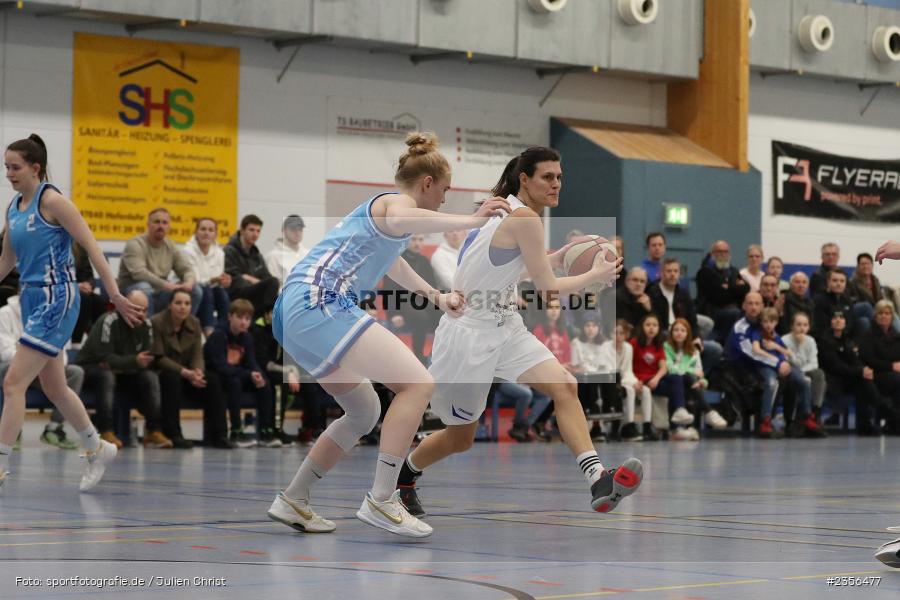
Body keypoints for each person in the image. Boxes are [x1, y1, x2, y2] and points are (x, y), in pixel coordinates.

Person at [267, 132, 507, 538]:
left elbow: (393, 265)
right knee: (418, 384)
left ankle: (295, 497)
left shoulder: (385, 222)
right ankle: (382, 498)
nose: (445, 200)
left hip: (293, 312)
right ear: (426, 183)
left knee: (363, 411)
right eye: (445, 190)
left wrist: (436, 295)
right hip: (318, 301)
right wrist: (473, 219)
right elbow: (402, 219)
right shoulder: (395, 204)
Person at [393, 145, 639, 521]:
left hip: (506, 326)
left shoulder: (503, 207)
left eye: (559, 177)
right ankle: (405, 476)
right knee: (460, 438)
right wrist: (596, 276)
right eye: (547, 177)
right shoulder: (523, 219)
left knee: (565, 386)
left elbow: (508, 268)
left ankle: (597, 479)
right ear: (524, 179)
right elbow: (549, 291)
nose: (556, 184)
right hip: (468, 335)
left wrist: (556, 258)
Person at [0, 134, 142, 492]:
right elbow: (6, 260)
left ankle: (0, 464)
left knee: (13, 383)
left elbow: (92, 247)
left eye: (15, 167)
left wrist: (115, 294)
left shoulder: (54, 201)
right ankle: (97, 447)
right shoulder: (14, 207)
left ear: (35, 168)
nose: (9, 174)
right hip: (30, 297)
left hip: (57, 298)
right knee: (54, 386)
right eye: (6, 167)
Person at [76, 290, 173, 450]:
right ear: (124, 307)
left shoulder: (147, 325)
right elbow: (104, 359)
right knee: (106, 376)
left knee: (150, 376)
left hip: (125, 371)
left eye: (144, 310)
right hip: (91, 368)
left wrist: (128, 363)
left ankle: (153, 430)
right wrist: (133, 361)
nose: (141, 314)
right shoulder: (108, 321)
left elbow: (146, 358)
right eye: (136, 309)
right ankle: (105, 430)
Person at [151, 289, 234, 449]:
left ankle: (220, 435)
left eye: (187, 303)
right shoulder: (157, 322)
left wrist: (198, 372)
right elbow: (158, 358)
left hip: (189, 374)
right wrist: (185, 372)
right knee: (171, 378)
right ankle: (173, 434)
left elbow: (197, 354)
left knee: (212, 380)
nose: (183, 307)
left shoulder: (194, 322)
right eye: (178, 303)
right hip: (165, 372)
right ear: (170, 305)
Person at [0, 292, 83, 449]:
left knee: (75, 372)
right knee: (6, 371)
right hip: (15, 368)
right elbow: (5, 352)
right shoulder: (5, 313)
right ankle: (12, 432)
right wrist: (35, 357)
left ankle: (54, 429)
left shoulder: (56, 314)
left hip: (44, 369)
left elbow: (62, 355)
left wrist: (32, 356)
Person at [204, 298, 279, 448]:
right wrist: (248, 374)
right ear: (230, 317)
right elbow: (220, 366)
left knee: (265, 383)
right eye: (239, 317)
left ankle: (266, 430)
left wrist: (257, 374)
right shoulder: (219, 335)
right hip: (219, 377)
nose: (243, 322)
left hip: (238, 374)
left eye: (247, 318)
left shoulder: (247, 337)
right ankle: (236, 430)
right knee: (234, 382)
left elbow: (252, 363)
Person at [749, 307, 822, 438]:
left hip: (782, 364)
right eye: (765, 322)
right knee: (771, 384)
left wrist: (780, 354)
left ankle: (807, 415)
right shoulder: (757, 333)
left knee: (804, 381)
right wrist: (774, 358)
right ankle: (766, 419)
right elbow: (756, 350)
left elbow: (786, 352)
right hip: (767, 365)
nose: (768, 325)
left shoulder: (776, 337)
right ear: (761, 322)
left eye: (771, 322)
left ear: (776, 322)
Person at [117, 208, 202, 315]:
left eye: (164, 222)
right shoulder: (135, 244)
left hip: (159, 292)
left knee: (195, 290)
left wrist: (189, 282)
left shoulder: (171, 246)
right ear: (148, 225)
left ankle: (183, 327)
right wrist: (166, 285)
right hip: (131, 291)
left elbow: (186, 269)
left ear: (169, 226)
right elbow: (139, 273)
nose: (161, 226)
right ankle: (148, 328)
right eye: (156, 222)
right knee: (144, 287)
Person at [648, 257, 723, 370]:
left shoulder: (683, 293)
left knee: (716, 349)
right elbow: (653, 323)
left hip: (683, 334)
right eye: (669, 271)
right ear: (661, 273)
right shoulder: (653, 293)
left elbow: (692, 320)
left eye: (676, 271)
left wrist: (697, 337)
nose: (673, 274)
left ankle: (694, 375)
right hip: (664, 336)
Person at [631, 313, 693, 441]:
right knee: (677, 389)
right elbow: (628, 366)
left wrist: (656, 378)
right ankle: (675, 425)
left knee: (677, 380)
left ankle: (679, 413)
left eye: (655, 325)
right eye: (648, 325)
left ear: (659, 328)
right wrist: (638, 381)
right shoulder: (634, 343)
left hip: (654, 380)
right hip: (639, 380)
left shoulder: (658, 345)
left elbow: (664, 367)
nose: (651, 328)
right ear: (642, 327)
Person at [380, 232, 440, 363]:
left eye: (420, 239)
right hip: (402, 303)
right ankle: (418, 356)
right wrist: (394, 314)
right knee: (421, 317)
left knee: (442, 315)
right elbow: (390, 290)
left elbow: (432, 287)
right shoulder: (396, 260)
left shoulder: (424, 262)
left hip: (422, 302)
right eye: (413, 239)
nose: (417, 243)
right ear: (406, 241)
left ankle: (436, 355)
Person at [664, 319, 728, 435]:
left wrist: (702, 382)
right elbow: (670, 368)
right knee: (687, 379)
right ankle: (708, 412)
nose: (679, 333)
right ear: (671, 332)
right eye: (676, 330)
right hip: (670, 380)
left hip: (687, 382)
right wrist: (691, 371)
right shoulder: (666, 347)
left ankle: (681, 427)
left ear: (688, 334)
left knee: (691, 383)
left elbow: (700, 372)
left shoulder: (694, 350)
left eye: (683, 330)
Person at [181, 217, 232, 337]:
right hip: (191, 289)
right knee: (207, 292)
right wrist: (212, 280)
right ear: (196, 232)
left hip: (211, 288)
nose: (206, 233)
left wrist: (225, 280)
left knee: (223, 294)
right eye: (203, 229)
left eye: (210, 230)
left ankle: (224, 331)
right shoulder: (187, 251)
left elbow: (218, 277)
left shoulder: (220, 253)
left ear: (215, 234)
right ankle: (209, 331)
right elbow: (193, 279)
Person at [224, 215, 279, 318]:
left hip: (254, 292)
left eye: (258, 231)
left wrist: (250, 278)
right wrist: (257, 282)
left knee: (280, 295)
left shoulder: (257, 254)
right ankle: (268, 316)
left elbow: (266, 277)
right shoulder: (229, 251)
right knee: (273, 282)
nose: (255, 234)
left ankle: (271, 317)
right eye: (251, 230)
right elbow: (236, 279)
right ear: (242, 230)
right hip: (237, 294)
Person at [695, 240, 749, 343]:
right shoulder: (704, 272)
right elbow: (719, 297)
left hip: (732, 309)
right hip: (712, 312)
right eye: (719, 251)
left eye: (725, 251)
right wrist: (735, 288)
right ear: (712, 254)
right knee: (734, 313)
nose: (723, 254)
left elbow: (746, 288)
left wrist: (728, 287)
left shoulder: (733, 271)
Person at [602, 320, 644, 441]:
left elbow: (628, 370)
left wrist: (635, 382)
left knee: (636, 389)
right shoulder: (605, 347)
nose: (618, 336)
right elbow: (607, 369)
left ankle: (631, 425)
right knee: (626, 390)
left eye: (621, 333)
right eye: (615, 333)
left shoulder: (629, 348)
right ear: (610, 334)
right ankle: (622, 427)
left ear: (626, 335)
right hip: (609, 382)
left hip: (623, 380)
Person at [782, 312, 826, 425]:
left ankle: (815, 411)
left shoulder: (810, 340)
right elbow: (790, 363)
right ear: (792, 326)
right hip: (790, 374)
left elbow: (814, 363)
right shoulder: (784, 340)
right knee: (801, 380)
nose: (802, 328)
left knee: (819, 374)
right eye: (799, 324)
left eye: (805, 325)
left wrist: (802, 372)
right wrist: (800, 345)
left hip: (804, 372)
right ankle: (801, 417)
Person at [71, 243, 109, 344]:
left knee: (98, 302)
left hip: (80, 290)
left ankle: (98, 344)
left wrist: (88, 284)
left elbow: (88, 274)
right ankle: (76, 342)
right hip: (59, 290)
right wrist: (76, 286)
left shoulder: (78, 245)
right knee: (84, 299)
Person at [265, 214, 308, 286]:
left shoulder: (308, 254)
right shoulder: (273, 257)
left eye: (300, 229)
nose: (297, 233)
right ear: (283, 231)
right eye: (293, 229)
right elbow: (274, 288)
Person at [813, 269, 854, 338]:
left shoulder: (847, 300)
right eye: (835, 280)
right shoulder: (819, 300)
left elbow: (850, 324)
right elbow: (819, 327)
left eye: (842, 281)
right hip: (825, 339)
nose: (839, 284)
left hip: (844, 338)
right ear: (828, 282)